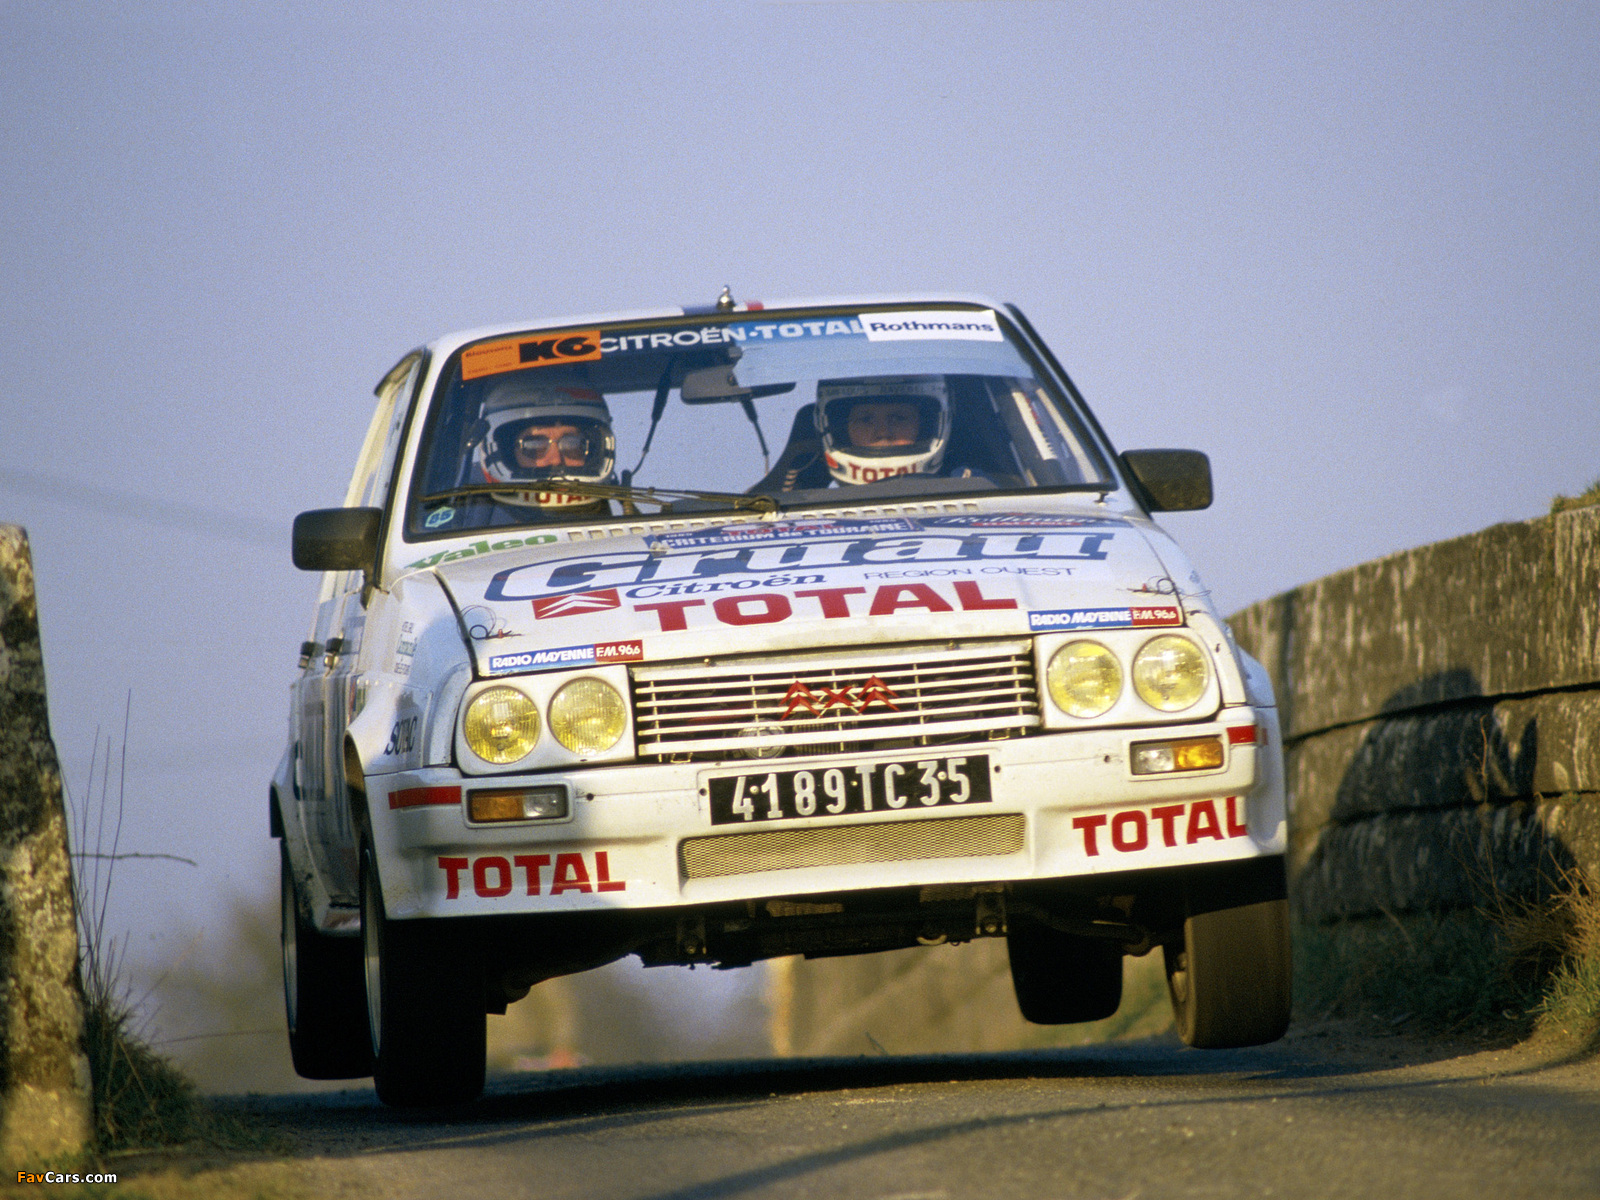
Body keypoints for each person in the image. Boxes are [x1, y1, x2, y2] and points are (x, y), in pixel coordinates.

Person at [470, 378, 616, 515]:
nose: (556, 460)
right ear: (507, 453)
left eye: (572, 444)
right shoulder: (467, 514)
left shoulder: (621, 523)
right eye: (534, 446)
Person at [814, 375, 950, 485]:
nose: (883, 432)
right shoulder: (809, 503)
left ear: (925, 426)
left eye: (898, 419)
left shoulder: (962, 489)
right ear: (841, 430)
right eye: (866, 420)